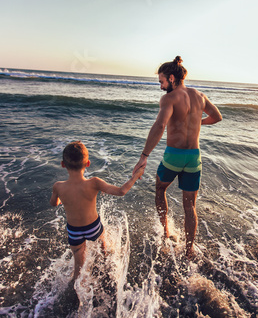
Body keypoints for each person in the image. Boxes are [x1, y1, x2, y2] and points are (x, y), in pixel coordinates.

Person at [132, 56, 222, 259]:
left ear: (171, 78)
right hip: (194, 157)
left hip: (174, 156)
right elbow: (217, 116)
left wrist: (144, 155)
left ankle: (166, 232)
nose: (161, 87)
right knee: (190, 205)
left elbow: (160, 126)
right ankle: (189, 250)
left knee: (160, 188)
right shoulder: (200, 96)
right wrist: (198, 123)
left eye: (162, 82)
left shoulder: (169, 99)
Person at [50, 141, 144, 279]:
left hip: (74, 231)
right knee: (103, 250)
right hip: (93, 227)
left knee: (79, 266)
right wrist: (135, 176)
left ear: (63, 164)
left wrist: (60, 198)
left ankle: (76, 289)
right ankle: (105, 271)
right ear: (88, 163)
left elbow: (54, 203)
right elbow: (121, 191)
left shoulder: (58, 186)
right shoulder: (94, 182)